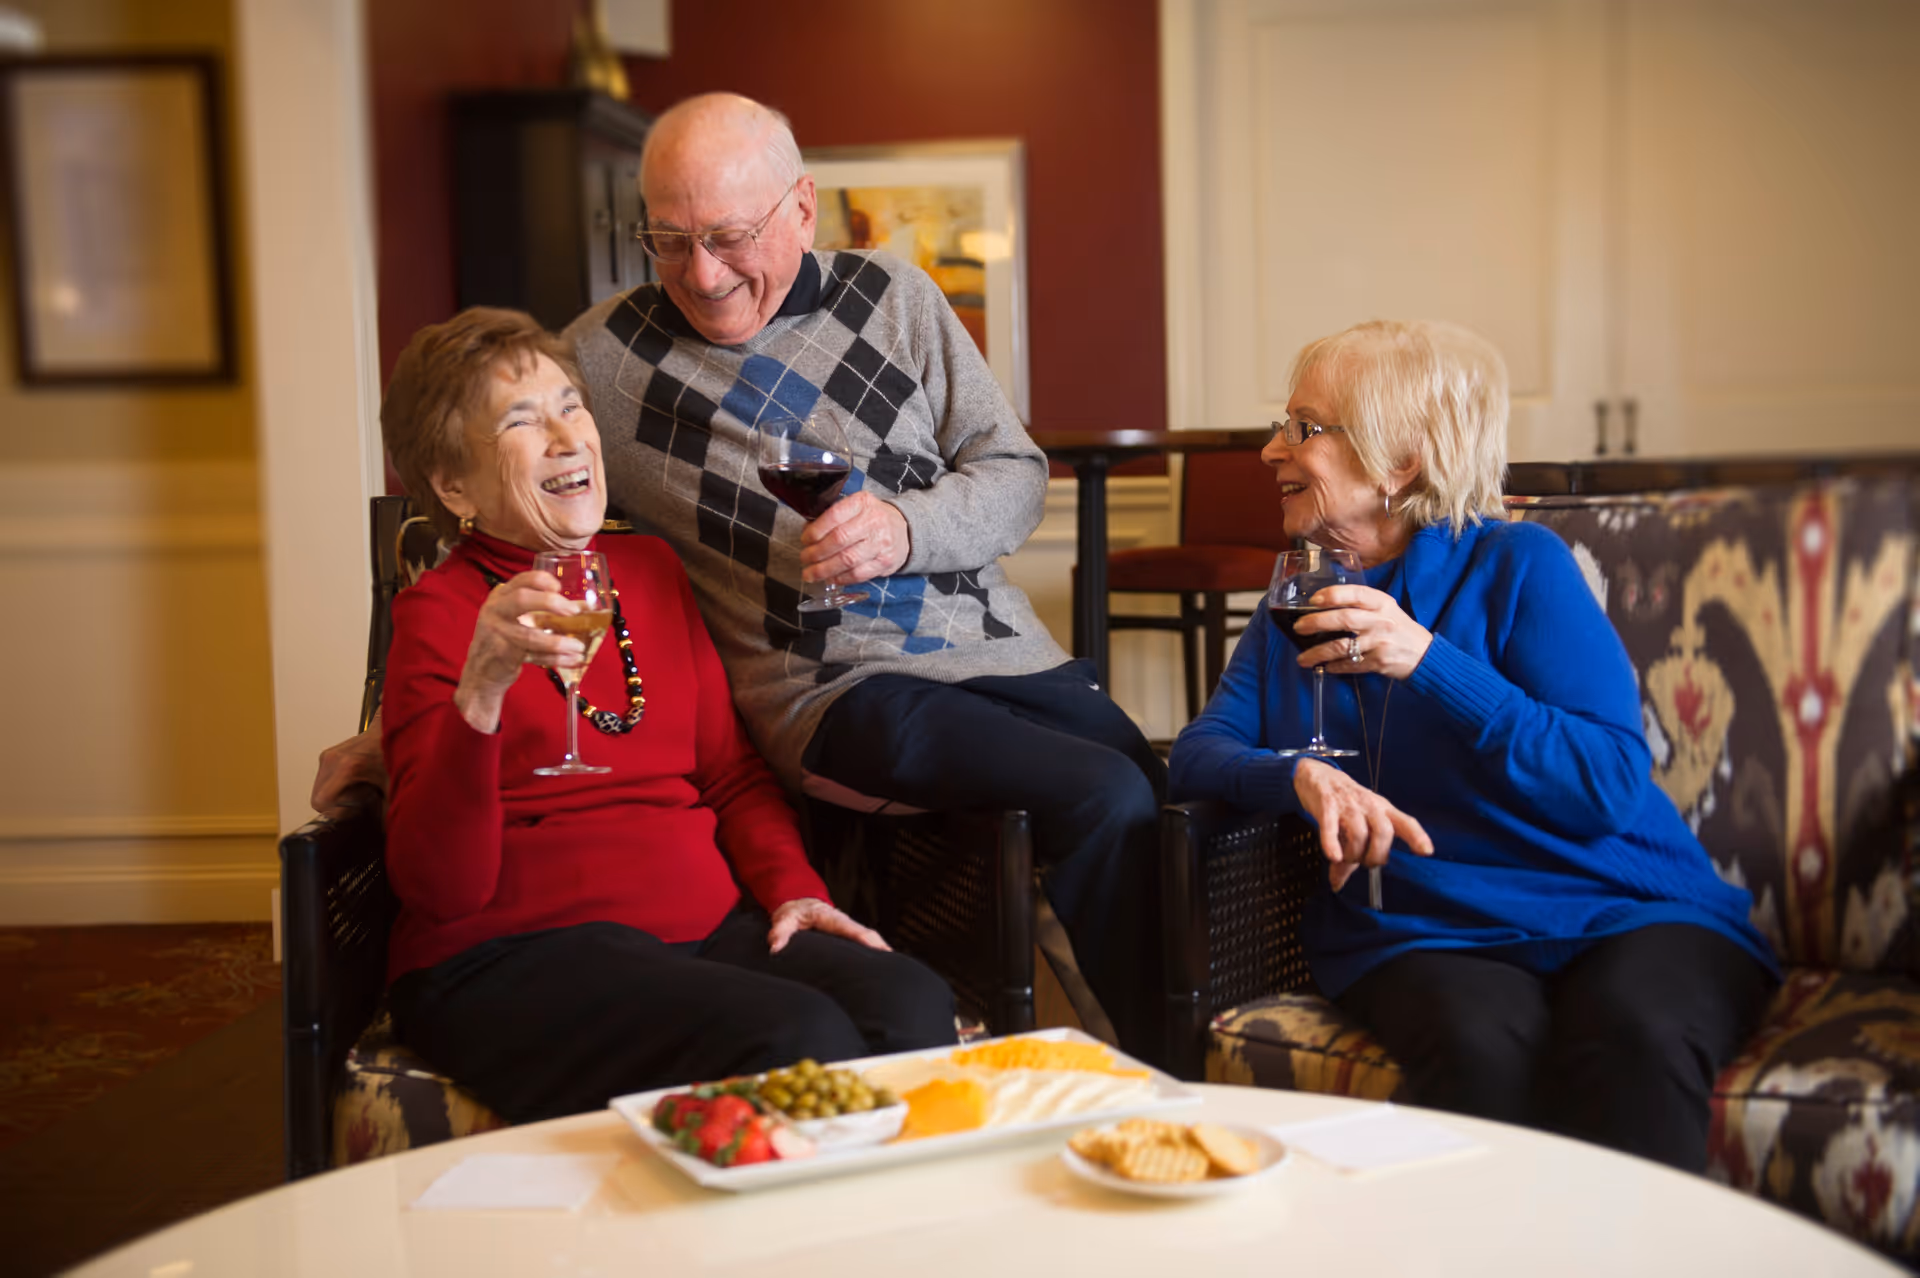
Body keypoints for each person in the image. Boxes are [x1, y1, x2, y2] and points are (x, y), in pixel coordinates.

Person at [317, 93, 1168, 1066]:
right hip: (838, 683)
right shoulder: (607, 358)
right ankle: (1146, 1068)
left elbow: (1014, 472)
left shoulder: (896, 296)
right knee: (1100, 793)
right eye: (668, 242)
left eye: (727, 237)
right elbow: (486, 433)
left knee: (1145, 785)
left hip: (999, 650)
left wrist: (904, 526)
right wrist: (407, 727)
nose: (703, 276)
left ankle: (1152, 1042)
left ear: (802, 209)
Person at [1168, 319, 1779, 1170]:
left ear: (1399, 463)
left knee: (1633, 1035)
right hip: (1426, 929)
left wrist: (1428, 662)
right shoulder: (1298, 600)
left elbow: (1603, 783)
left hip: (1625, 911)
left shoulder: (1520, 565)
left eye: (1303, 428)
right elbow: (1198, 754)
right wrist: (1298, 778)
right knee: (1482, 1052)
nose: (1272, 449)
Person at [373, 306, 955, 1123]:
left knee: (910, 1005)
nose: (567, 436)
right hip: (510, 957)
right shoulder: (440, 614)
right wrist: (483, 688)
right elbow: (439, 889)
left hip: (702, 931)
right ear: (452, 484)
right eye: (520, 420)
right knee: (794, 1033)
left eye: (571, 404)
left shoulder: (647, 571)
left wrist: (793, 890)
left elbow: (730, 775)